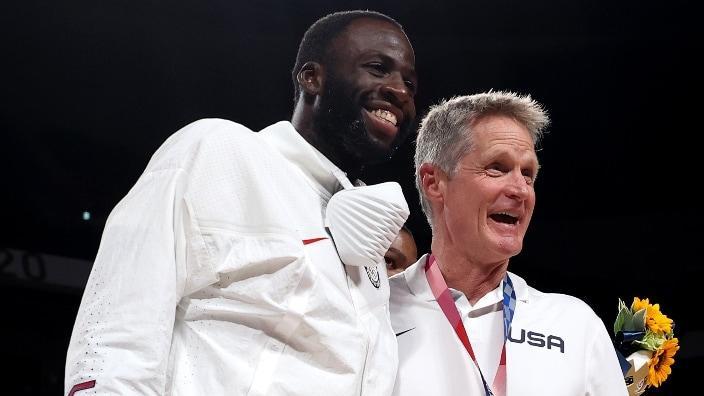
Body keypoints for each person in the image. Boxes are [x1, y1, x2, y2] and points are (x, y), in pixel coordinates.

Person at [65, 10, 418, 396]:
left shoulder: (372, 245)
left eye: (410, 83)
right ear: (311, 77)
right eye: (377, 68)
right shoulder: (219, 151)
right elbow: (116, 334)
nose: (400, 91)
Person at [389, 92, 628, 395]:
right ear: (434, 182)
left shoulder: (575, 324)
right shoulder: (378, 312)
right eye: (497, 168)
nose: (520, 190)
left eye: (528, 174)